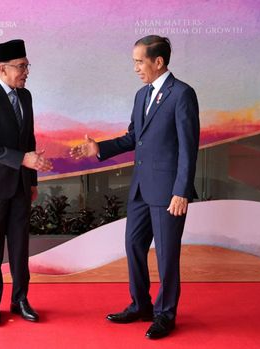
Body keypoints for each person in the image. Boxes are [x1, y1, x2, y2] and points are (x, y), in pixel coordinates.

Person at [69, 35, 199, 340]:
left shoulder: (182, 94)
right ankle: (141, 305)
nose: (136, 68)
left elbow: (188, 147)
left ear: (159, 62)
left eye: (139, 62)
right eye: (134, 62)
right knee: (133, 245)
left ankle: (165, 314)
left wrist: (181, 191)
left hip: (169, 192)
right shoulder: (142, 95)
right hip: (141, 189)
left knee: (167, 256)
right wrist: (98, 149)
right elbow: (133, 138)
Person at [0, 39, 53, 327]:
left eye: (27, 66)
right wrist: (23, 160)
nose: (26, 71)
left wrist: (32, 179)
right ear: (2, 69)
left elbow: (29, 140)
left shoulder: (25, 96)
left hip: (20, 184)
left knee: (20, 247)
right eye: (21, 66)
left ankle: (20, 300)